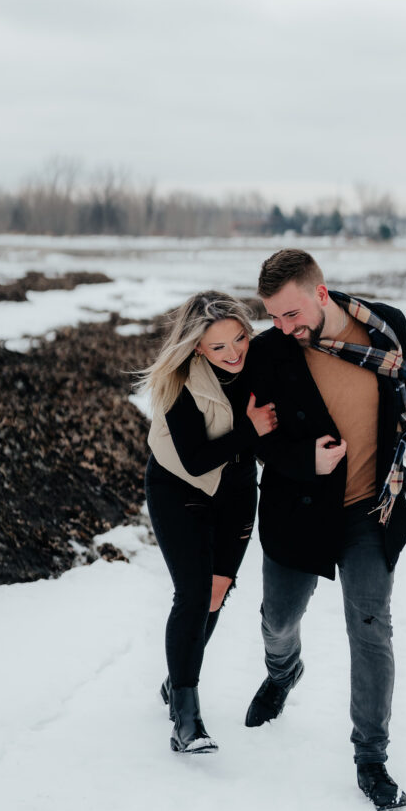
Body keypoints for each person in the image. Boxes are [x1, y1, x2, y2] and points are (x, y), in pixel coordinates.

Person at [243, 249, 406, 811]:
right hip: (297, 512)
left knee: (371, 628)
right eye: (273, 317)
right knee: (278, 619)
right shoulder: (267, 354)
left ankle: (372, 757)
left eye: (291, 314)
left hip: (370, 510)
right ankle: (283, 672)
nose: (284, 328)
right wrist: (301, 457)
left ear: (320, 292)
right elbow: (257, 438)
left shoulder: (384, 326)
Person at [140, 291, 277, 754]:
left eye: (240, 338)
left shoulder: (260, 360)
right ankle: (186, 718)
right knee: (194, 593)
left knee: (218, 590)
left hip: (236, 489)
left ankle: (176, 679)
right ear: (198, 347)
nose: (234, 353)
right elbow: (197, 462)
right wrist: (250, 430)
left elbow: (312, 348)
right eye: (220, 347)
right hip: (180, 486)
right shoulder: (177, 381)